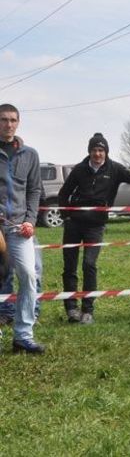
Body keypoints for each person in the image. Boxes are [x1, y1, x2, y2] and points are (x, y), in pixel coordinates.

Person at [59, 132, 130, 324]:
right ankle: (71, 308)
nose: (97, 154)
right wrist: (66, 217)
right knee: (70, 267)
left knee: (89, 265)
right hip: (74, 224)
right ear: (89, 151)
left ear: (106, 152)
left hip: (96, 225)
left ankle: (88, 310)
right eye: (94, 150)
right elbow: (63, 194)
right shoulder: (79, 169)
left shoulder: (115, 169)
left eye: (101, 150)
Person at [0, 103, 44, 353]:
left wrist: (31, 219)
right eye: (4, 120)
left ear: (18, 122)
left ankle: (23, 335)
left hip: (19, 228)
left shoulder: (30, 155)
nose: (8, 124)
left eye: (13, 120)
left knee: (28, 276)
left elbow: (35, 190)